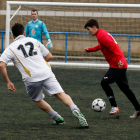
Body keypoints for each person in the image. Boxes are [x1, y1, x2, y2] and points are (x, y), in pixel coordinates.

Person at [0, 23, 88, 128]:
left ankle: (57, 118)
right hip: (46, 72)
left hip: (32, 78)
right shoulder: (34, 41)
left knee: (37, 100)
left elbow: (2, 65)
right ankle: (75, 109)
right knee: (61, 94)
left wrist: (8, 82)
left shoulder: (10, 48)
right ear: (24, 33)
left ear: (13, 36)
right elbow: (49, 56)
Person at [84, 18, 140, 118]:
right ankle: (138, 109)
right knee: (125, 89)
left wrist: (119, 60)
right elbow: (101, 46)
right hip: (120, 64)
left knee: (104, 82)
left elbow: (114, 47)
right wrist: (90, 50)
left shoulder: (101, 35)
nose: (88, 32)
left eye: (88, 29)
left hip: (117, 65)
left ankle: (114, 106)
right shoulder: (101, 34)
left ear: (94, 27)